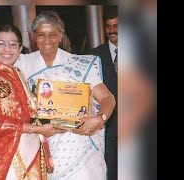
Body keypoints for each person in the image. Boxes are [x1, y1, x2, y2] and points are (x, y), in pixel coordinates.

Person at [0, 11, 116, 180]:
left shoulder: (81, 64)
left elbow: (108, 98)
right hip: (42, 149)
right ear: (34, 37)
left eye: (53, 35)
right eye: (41, 35)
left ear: (60, 35)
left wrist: (100, 118)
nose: (47, 41)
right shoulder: (21, 62)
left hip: (81, 148)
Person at [0, 24, 64, 180]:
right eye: (0, 44)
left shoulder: (19, 72)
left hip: (31, 148)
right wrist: (36, 129)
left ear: (20, 48)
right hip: (4, 154)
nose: (7, 49)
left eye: (13, 44)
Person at [83, 6, 118, 180]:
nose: (112, 30)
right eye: (108, 26)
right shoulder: (93, 57)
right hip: (108, 129)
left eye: (117, 25)